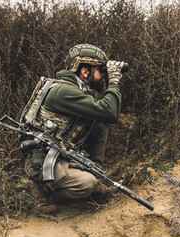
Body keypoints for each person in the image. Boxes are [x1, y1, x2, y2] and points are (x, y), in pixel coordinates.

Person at [22, 44, 124, 214]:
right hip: (42, 162)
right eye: (101, 70)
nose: (104, 76)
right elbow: (109, 112)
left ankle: (91, 174)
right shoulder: (64, 91)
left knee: (98, 126)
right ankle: (43, 190)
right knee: (87, 184)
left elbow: (104, 116)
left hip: (59, 150)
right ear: (85, 72)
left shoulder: (74, 88)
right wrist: (114, 81)